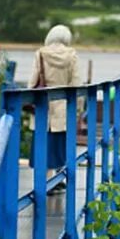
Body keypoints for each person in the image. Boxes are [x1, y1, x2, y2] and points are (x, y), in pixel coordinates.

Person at [30, 25, 82, 192]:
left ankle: (44, 182)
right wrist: (78, 110)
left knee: (42, 144)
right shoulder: (72, 56)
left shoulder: (40, 54)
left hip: (43, 107)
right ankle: (57, 180)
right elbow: (76, 86)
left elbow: (32, 83)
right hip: (63, 108)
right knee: (59, 147)